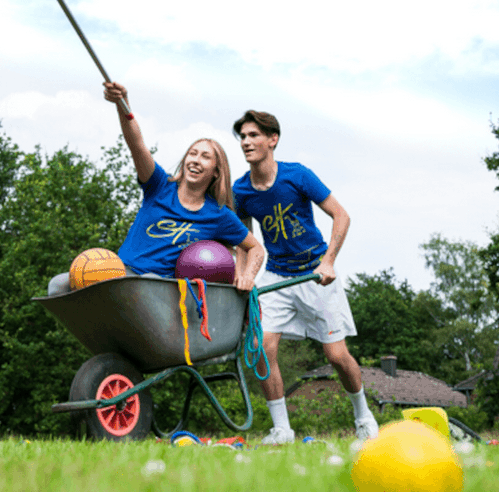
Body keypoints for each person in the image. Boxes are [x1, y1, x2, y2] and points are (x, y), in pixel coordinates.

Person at [231, 109, 379, 444]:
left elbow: (341, 216)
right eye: (243, 136)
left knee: (336, 356)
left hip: (314, 273)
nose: (246, 142)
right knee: (261, 347)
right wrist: (243, 276)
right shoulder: (241, 191)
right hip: (277, 277)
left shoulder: (297, 175)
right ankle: (282, 430)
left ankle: (364, 416)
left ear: (273, 139)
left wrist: (328, 262)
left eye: (254, 135)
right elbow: (244, 242)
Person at [47, 83, 265, 295]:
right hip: (122, 273)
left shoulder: (218, 215)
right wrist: (122, 104)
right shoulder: (159, 186)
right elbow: (137, 144)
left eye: (205, 157)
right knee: (58, 285)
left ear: (216, 172)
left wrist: (247, 276)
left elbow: (256, 248)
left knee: (147, 286)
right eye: (192, 153)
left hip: (160, 288)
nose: (196, 160)